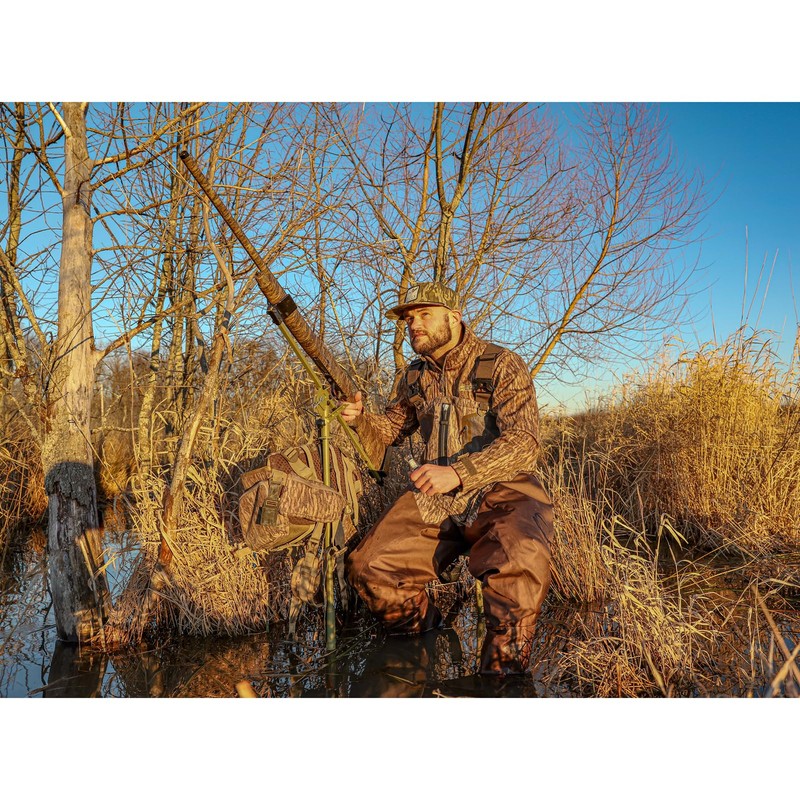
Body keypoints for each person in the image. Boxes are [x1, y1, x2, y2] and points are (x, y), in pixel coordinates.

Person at [340, 282, 554, 677]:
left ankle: (500, 682)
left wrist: (458, 473)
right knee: (368, 567)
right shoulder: (413, 376)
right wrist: (360, 420)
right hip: (436, 499)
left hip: (502, 491)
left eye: (424, 315)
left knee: (519, 561)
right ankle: (424, 644)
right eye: (409, 318)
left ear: (454, 318)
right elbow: (389, 432)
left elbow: (525, 442)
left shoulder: (501, 363)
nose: (413, 324)